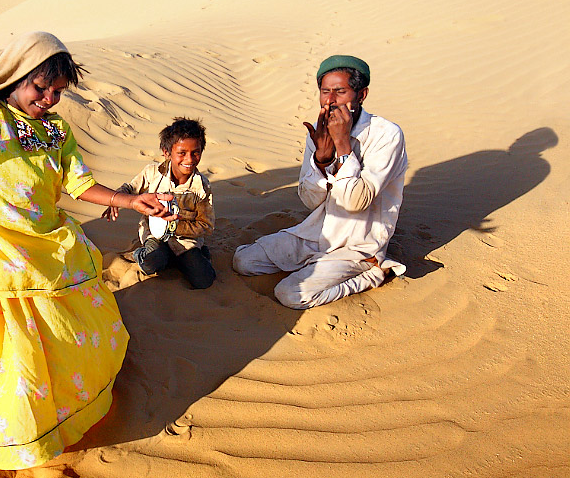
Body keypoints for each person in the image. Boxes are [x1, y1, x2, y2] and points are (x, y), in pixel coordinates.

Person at [0, 31, 175, 470]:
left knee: (65, 335)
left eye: (57, 92)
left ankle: (72, 409)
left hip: (51, 246)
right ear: (17, 76)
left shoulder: (58, 131)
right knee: (14, 353)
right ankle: (16, 435)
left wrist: (129, 201)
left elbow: (80, 184)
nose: (50, 99)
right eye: (41, 87)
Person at [232, 55, 407, 309]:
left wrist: (343, 145)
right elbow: (310, 201)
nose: (330, 100)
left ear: (361, 95)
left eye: (340, 91)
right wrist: (322, 159)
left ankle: (371, 274)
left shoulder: (387, 134)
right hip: (317, 234)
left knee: (290, 294)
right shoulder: (318, 130)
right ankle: (316, 264)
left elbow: (356, 202)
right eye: (325, 91)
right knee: (244, 262)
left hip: (359, 244)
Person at [102, 118, 216, 289]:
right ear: (167, 152)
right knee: (152, 263)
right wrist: (116, 198)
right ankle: (144, 254)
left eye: (195, 152)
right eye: (182, 153)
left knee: (204, 280)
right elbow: (130, 188)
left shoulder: (201, 186)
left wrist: (174, 227)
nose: (189, 159)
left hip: (186, 241)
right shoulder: (152, 173)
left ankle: (189, 257)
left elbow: (206, 226)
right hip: (154, 235)